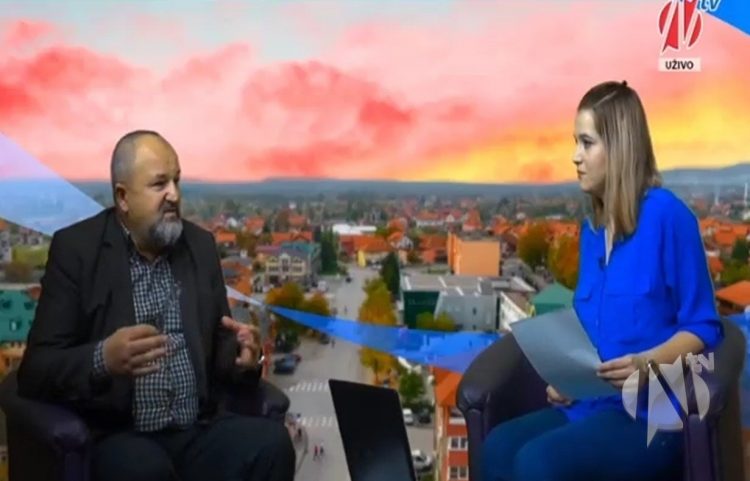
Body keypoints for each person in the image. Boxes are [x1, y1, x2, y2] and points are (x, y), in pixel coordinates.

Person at [17, 130, 295, 481]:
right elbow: (35, 371)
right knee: (145, 469)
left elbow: (220, 349)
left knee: (272, 445)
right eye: (159, 184)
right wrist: (103, 358)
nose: (174, 195)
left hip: (197, 428)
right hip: (121, 434)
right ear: (123, 197)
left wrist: (247, 359)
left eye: (177, 181)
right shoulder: (77, 251)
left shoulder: (200, 246)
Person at [481, 81, 724, 481]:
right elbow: (591, 332)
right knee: (498, 447)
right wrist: (569, 380)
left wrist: (647, 364)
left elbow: (703, 327)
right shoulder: (591, 230)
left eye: (587, 143)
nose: (575, 156)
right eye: (575, 143)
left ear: (620, 147)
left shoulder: (669, 218)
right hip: (590, 405)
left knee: (537, 463)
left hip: (649, 416)